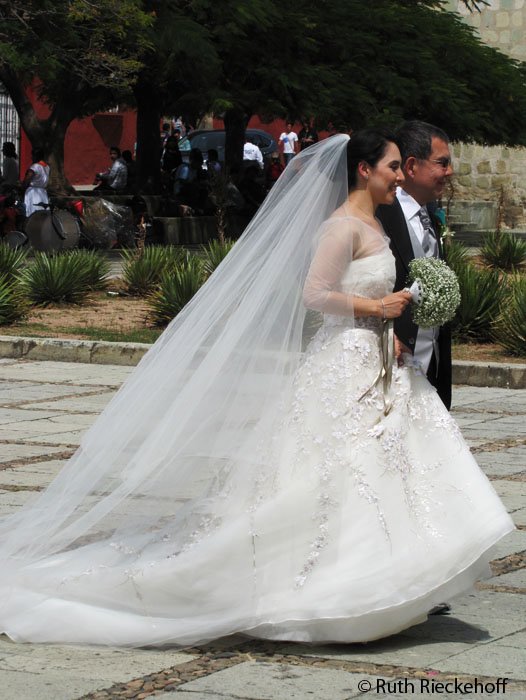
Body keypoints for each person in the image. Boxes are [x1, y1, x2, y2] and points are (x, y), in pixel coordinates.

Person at [0, 130, 512, 647]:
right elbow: (315, 294)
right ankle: (328, 584)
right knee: (336, 471)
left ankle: (381, 580)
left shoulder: (375, 223)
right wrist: (377, 307)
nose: (400, 176)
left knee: (384, 467)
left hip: (377, 360)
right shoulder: (340, 227)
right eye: (393, 166)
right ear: (364, 170)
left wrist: (389, 326)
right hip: (343, 364)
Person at [377, 121, 453, 409]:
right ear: (411, 166)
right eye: (442, 163)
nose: (449, 172)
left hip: (429, 365)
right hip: (388, 362)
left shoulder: (430, 217)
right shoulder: (379, 216)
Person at [23, 148, 50, 218]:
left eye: (33, 155)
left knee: (32, 212)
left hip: (33, 192)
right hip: (43, 192)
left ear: (36, 156)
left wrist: (23, 186)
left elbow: (27, 179)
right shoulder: (47, 167)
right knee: (42, 212)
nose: (31, 157)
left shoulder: (35, 166)